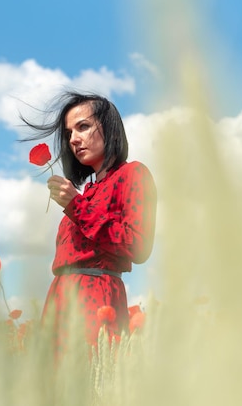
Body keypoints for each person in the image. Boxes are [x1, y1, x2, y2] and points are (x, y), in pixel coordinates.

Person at [22, 91, 157, 348]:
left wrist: (77, 206)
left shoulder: (133, 174)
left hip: (96, 296)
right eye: (69, 133)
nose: (74, 139)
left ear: (109, 128)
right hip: (60, 298)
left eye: (83, 127)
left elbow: (138, 246)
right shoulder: (88, 191)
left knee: (88, 380)